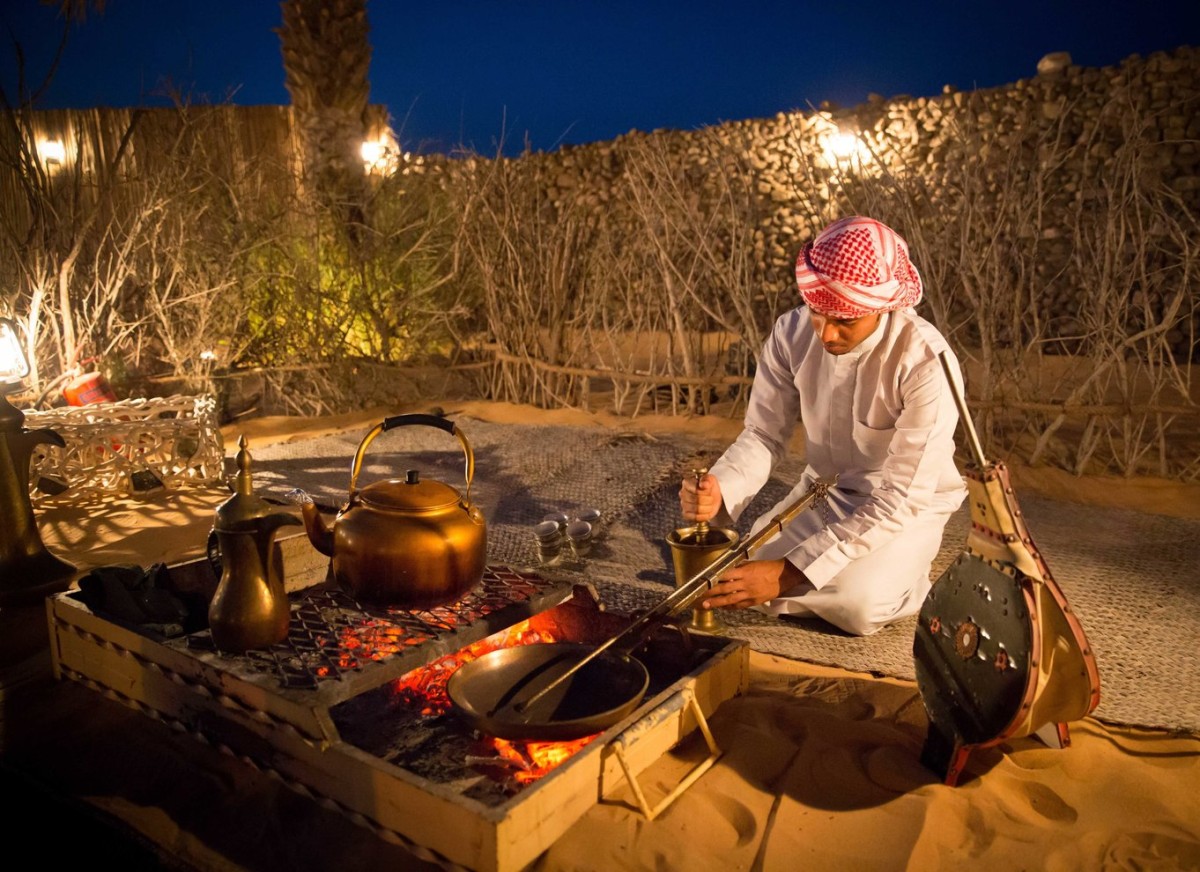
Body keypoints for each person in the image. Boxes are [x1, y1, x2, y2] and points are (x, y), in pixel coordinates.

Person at [679, 216, 967, 636]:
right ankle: (840, 578)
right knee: (737, 575)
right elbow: (763, 434)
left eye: (845, 321)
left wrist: (787, 573)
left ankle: (908, 582)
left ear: (882, 308)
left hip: (904, 506)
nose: (826, 334)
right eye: (818, 312)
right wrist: (720, 486)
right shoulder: (790, 333)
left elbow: (901, 497)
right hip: (824, 492)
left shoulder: (925, 363)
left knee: (859, 607)